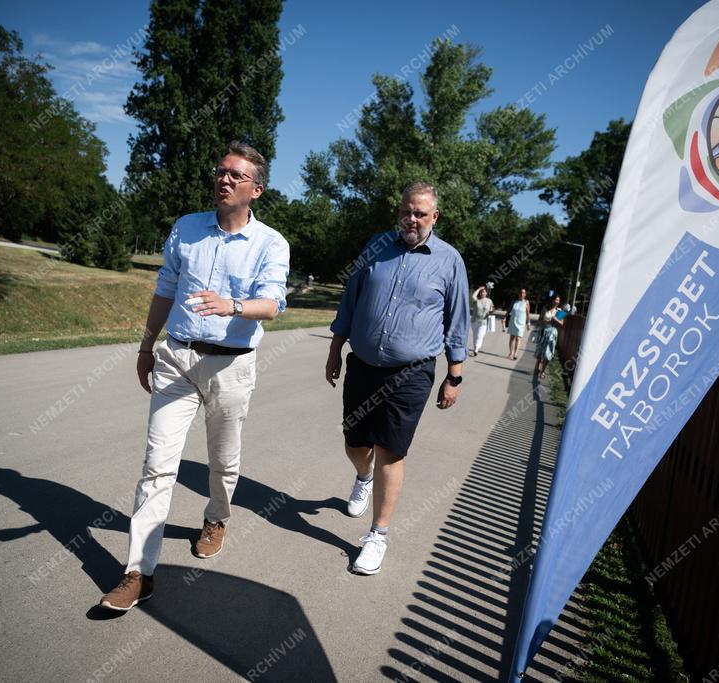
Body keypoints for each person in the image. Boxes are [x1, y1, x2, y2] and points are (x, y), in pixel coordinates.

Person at [99, 141, 290, 611]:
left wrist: (233, 306)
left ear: (256, 190)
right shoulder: (186, 228)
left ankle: (217, 517)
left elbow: (274, 304)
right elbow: (165, 288)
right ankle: (138, 572)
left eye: (235, 175)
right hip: (177, 360)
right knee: (157, 466)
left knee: (223, 463)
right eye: (220, 171)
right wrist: (147, 345)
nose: (223, 179)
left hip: (232, 365)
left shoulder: (271, 243)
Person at [325, 181, 469, 575]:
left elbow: (457, 320)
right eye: (407, 211)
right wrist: (335, 349)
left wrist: (454, 375)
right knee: (354, 440)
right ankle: (363, 475)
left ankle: (377, 536)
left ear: (434, 217)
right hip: (364, 365)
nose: (412, 219)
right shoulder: (376, 246)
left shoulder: (449, 260)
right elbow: (349, 300)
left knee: (391, 449)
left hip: (411, 373)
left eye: (420, 213)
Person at [534, 294, 565, 378]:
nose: (557, 302)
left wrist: (556, 319)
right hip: (544, 331)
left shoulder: (560, 311)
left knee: (548, 353)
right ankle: (537, 368)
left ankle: (542, 371)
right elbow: (539, 321)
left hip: (553, 333)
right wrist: (546, 321)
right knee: (540, 351)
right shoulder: (545, 308)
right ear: (552, 300)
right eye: (556, 300)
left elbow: (562, 323)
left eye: (558, 300)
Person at [506, 288, 530, 360]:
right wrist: (504, 318)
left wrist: (528, 322)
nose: (522, 294)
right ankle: (511, 353)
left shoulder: (527, 303)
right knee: (512, 337)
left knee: (518, 338)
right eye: (521, 292)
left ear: (525, 294)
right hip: (513, 321)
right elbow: (509, 310)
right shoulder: (514, 302)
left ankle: (516, 353)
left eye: (523, 293)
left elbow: (528, 314)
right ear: (519, 294)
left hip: (521, 323)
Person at [470, 285, 493, 356]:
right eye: (481, 292)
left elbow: (491, 308)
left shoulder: (489, 301)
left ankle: (476, 349)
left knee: (480, 335)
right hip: (474, 321)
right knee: (475, 336)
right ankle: (475, 348)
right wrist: (479, 288)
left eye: (484, 292)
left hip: (484, 322)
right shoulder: (477, 300)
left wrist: (491, 311)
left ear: (486, 293)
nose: (483, 293)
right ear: (480, 293)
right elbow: (473, 296)